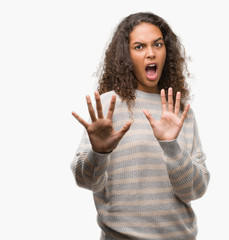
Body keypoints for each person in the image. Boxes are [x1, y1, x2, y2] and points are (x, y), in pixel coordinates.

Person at [71, 12, 210, 240]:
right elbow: (86, 181)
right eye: (139, 47)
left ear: (167, 51)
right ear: (126, 56)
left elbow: (194, 190)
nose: (151, 53)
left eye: (158, 44)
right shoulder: (108, 107)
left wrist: (171, 145)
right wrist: (99, 152)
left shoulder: (179, 111)